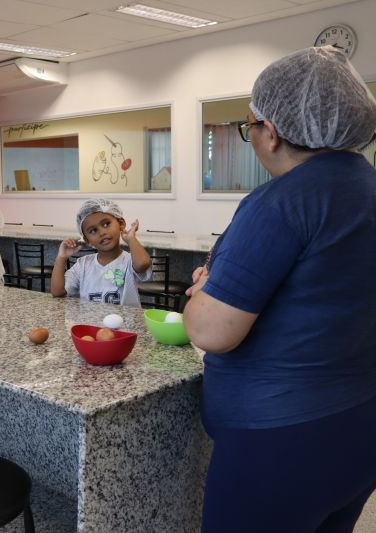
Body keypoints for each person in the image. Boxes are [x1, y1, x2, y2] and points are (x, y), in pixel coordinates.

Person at [182, 47, 376, 533]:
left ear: (271, 132)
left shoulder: (282, 203)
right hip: (361, 423)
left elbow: (211, 331)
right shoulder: (367, 189)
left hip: (281, 442)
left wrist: (205, 293)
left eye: (249, 127)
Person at [50, 199, 151, 306]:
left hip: (125, 318)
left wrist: (131, 239)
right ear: (87, 240)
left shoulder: (129, 260)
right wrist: (61, 257)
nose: (102, 232)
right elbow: (57, 292)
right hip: (90, 317)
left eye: (106, 224)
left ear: (121, 224)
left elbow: (142, 264)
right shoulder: (82, 265)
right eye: (93, 230)